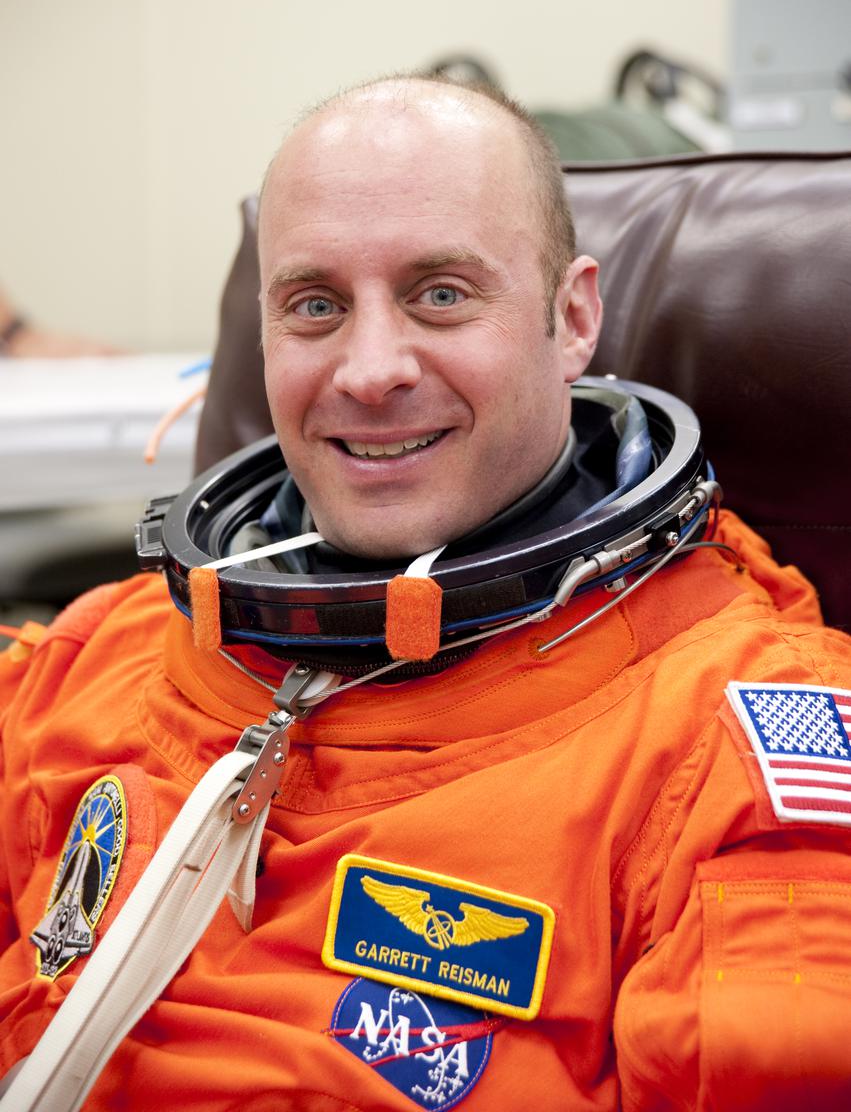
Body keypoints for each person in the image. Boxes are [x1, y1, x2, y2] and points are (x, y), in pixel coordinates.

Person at [2, 76, 851, 1112]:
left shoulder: (729, 747)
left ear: (572, 314)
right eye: (314, 304)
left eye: (439, 293)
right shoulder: (101, 655)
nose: (368, 370)